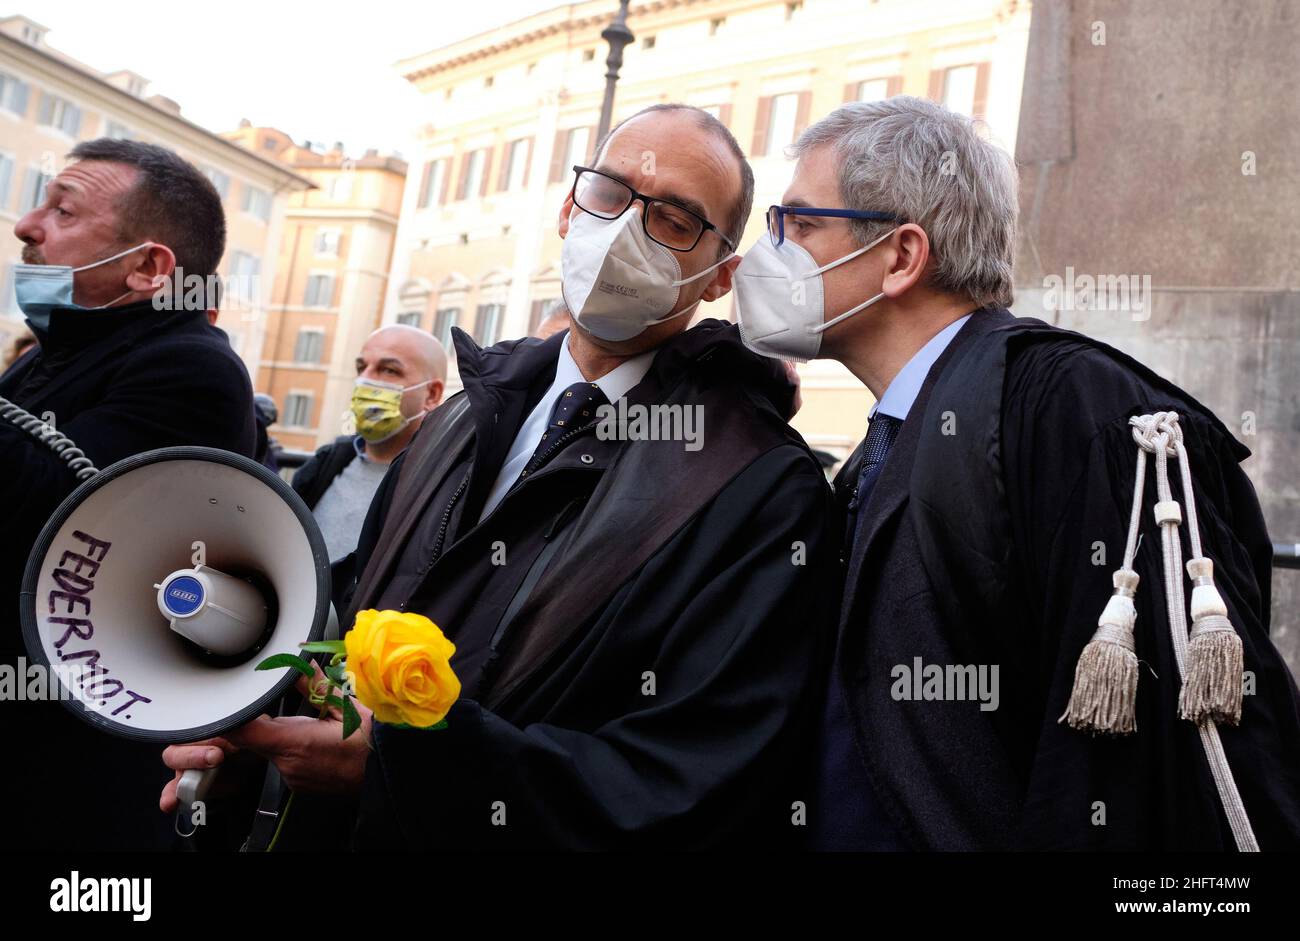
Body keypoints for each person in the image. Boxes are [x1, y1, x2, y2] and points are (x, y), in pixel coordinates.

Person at [160, 103, 836, 851]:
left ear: (719, 278)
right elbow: (349, 646)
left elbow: (700, 782)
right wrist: (255, 752)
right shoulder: (454, 420)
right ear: (567, 209)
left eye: (673, 219)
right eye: (608, 195)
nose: (622, 233)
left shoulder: (760, 486)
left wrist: (403, 767)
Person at [730, 96, 1300, 850]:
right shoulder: (888, 440)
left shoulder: (1069, 407)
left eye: (799, 224)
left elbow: (1131, 774)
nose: (765, 254)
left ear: (901, 256)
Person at [1, 137, 256, 851]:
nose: (27, 225)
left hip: (71, 780)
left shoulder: (190, 368)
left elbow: (52, 517)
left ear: (148, 267)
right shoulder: (44, 365)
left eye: (63, 209)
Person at [291, 324, 446, 561]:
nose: (364, 380)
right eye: (361, 367)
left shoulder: (443, 484)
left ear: (432, 394)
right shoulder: (326, 463)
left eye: (389, 370)